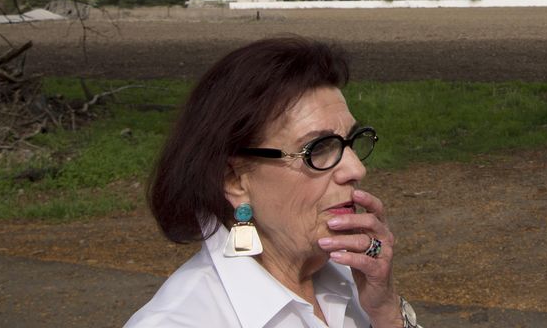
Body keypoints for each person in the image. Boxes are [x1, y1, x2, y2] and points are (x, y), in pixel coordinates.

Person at [125, 36, 422, 327]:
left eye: (351, 142)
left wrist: (387, 314)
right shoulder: (180, 320)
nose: (356, 168)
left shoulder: (351, 278)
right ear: (235, 181)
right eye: (317, 148)